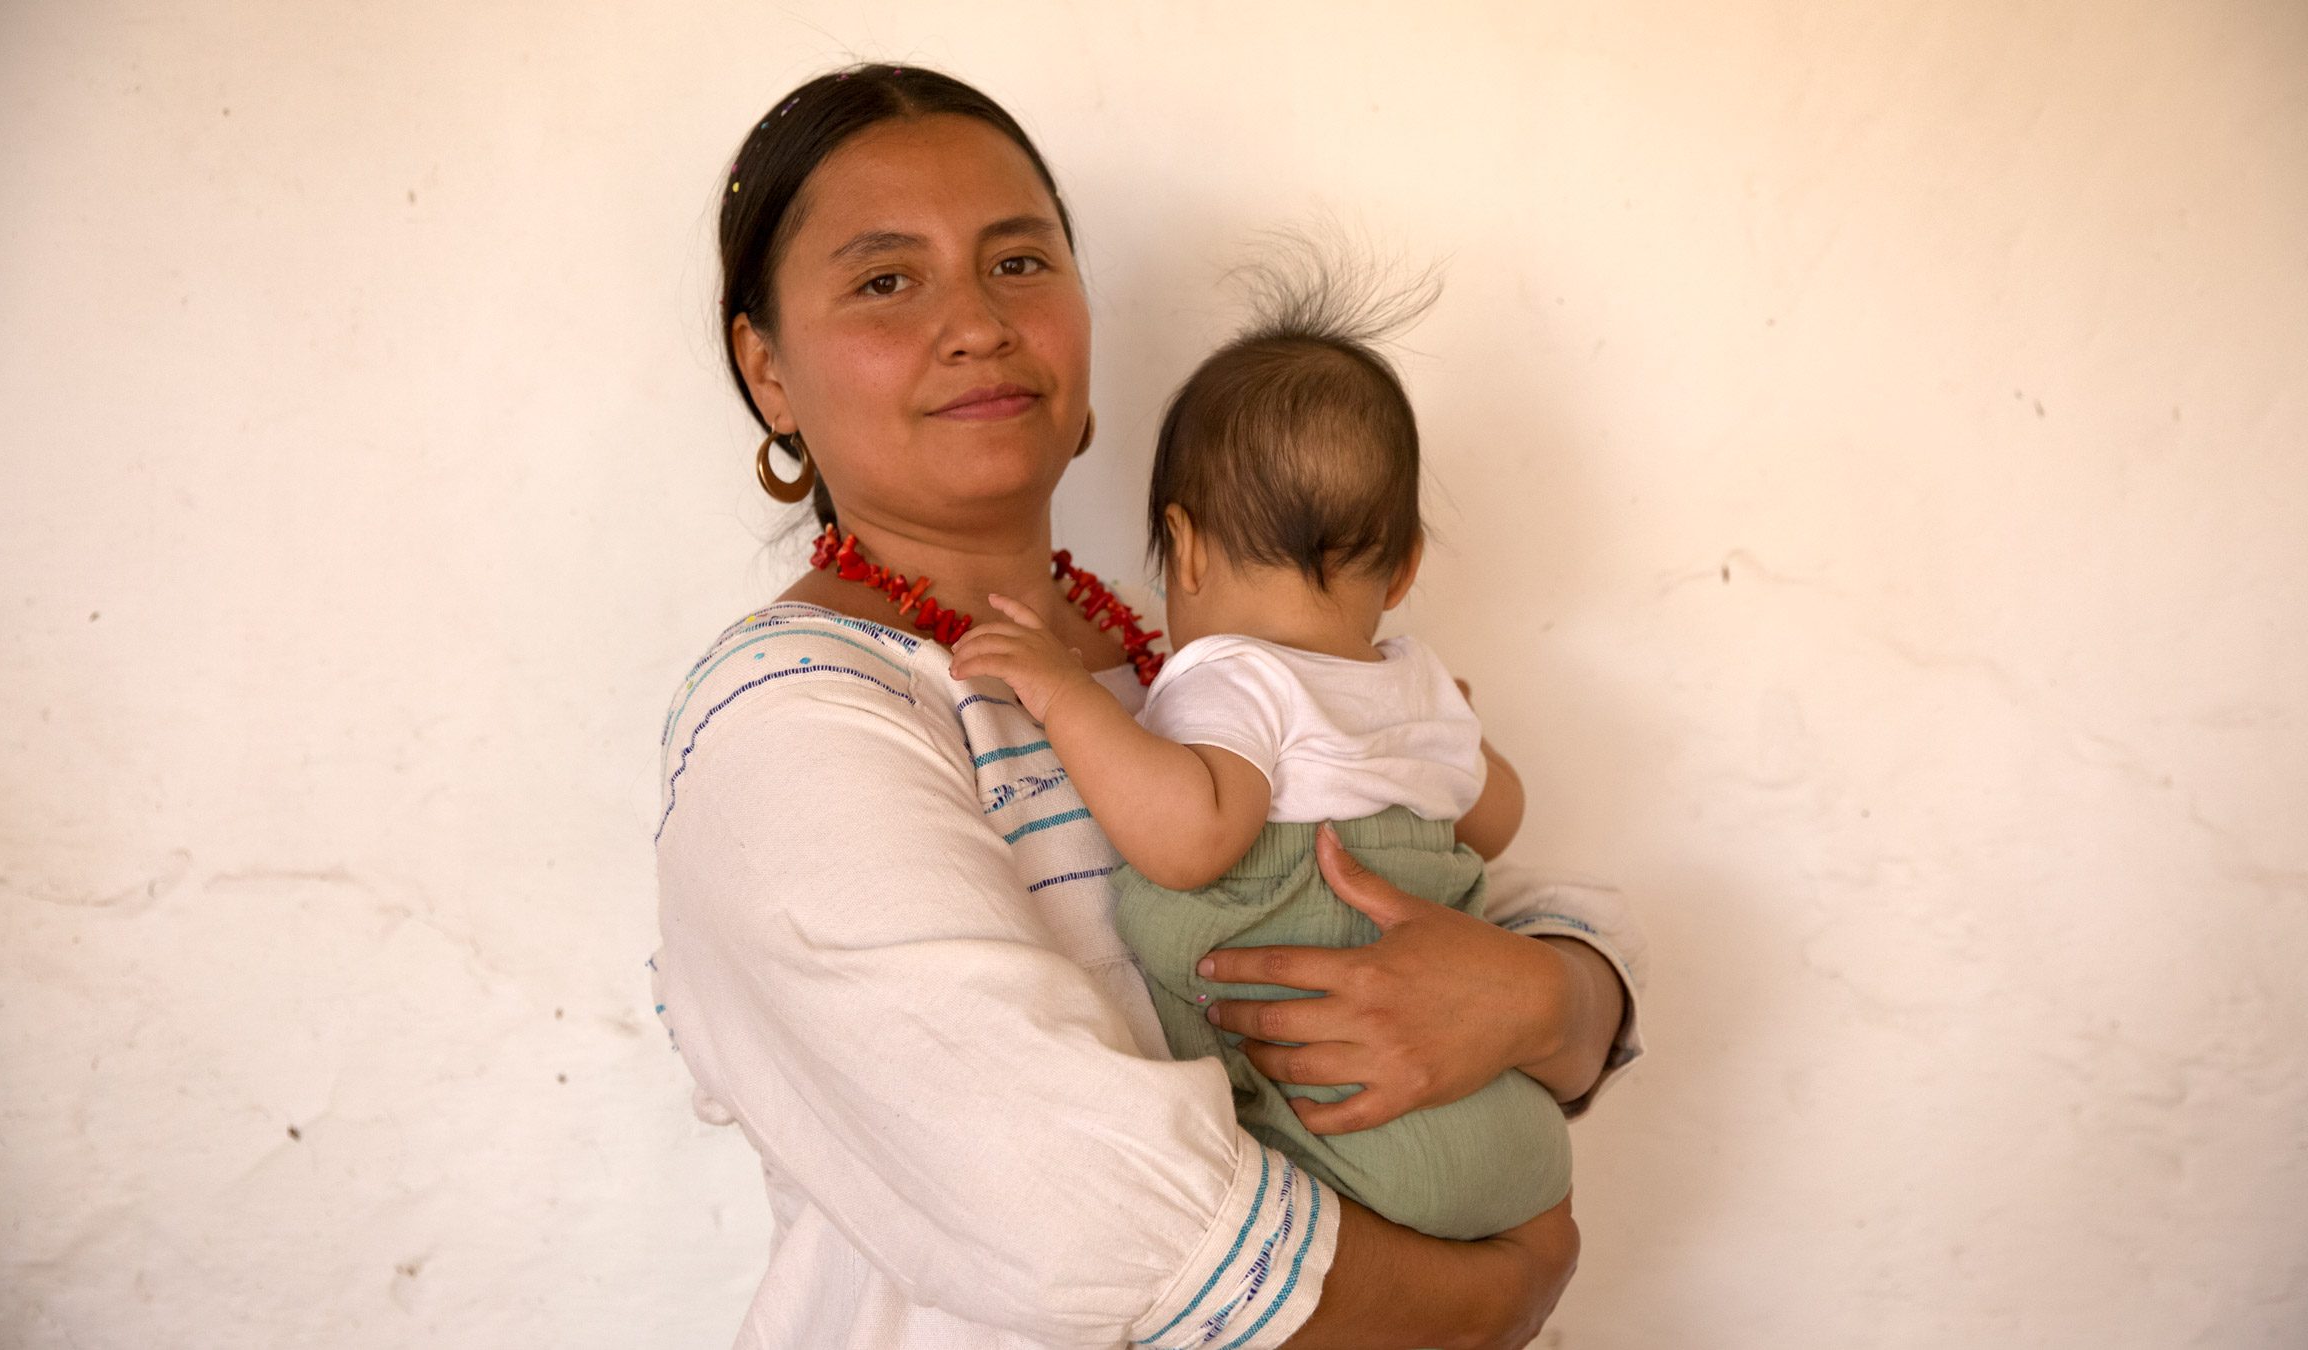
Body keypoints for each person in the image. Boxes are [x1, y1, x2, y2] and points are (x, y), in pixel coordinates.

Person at [650, 62, 1646, 1350]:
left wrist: (1539, 1002)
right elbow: (1076, 1206)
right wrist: (1490, 1297)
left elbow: (1489, 883)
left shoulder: (1198, 653)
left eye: (1019, 264)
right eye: (886, 280)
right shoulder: (790, 727)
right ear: (767, 370)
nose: (978, 323)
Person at [946, 255, 1573, 1241]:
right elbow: (1495, 819)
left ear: (1182, 545)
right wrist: (1441, 731)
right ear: (1405, 567)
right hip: (1505, 1139)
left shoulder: (1234, 674)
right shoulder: (1418, 681)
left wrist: (1066, 694)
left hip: (1325, 1104)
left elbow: (1192, 838)